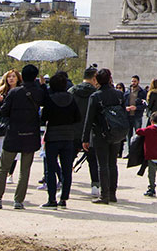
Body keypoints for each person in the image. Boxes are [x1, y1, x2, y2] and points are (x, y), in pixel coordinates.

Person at [0, 64, 44, 209]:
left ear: (22, 77)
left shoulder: (15, 92)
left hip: (14, 133)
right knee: (25, 171)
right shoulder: (39, 92)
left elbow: (4, 112)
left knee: (3, 169)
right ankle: (18, 201)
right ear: (35, 77)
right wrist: (42, 87)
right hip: (31, 133)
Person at [82, 67, 125, 204]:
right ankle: (113, 193)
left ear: (97, 80)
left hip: (100, 134)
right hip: (116, 132)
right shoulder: (119, 95)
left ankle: (104, 195)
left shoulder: (95, 96)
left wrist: (84, 139)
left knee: (102, 165)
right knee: (113, 163)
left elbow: (89, 119)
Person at [40, 70, 82, 208]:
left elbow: (43, 118)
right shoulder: (71, 99)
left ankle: (51, 198)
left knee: (51, 168)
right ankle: (64, 198)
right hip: (68, 136)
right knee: (66, 169)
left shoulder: (50, 100)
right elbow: (77, 118)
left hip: (53, 136)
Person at [70, 66, 101, 197]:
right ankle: (95, 185)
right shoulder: (96, 94)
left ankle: (63, 184)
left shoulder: (71, 91)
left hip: (73, 130)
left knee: (68, 160)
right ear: (94, 78)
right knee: (93, 161)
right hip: (90, 132)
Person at [0, 69, 20, 183]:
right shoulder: (2, 91)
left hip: (15, 123)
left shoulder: (20, 91)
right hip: (2, 123)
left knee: (14, 151)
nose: (11, 78)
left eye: (13, 76)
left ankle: (10, 175)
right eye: (9, 77)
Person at [135, 110, 157, 197]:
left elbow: (138, 131)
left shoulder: (150, 129)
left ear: (151, 121)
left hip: (151, 155)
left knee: (151, 174)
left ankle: (152, 189)